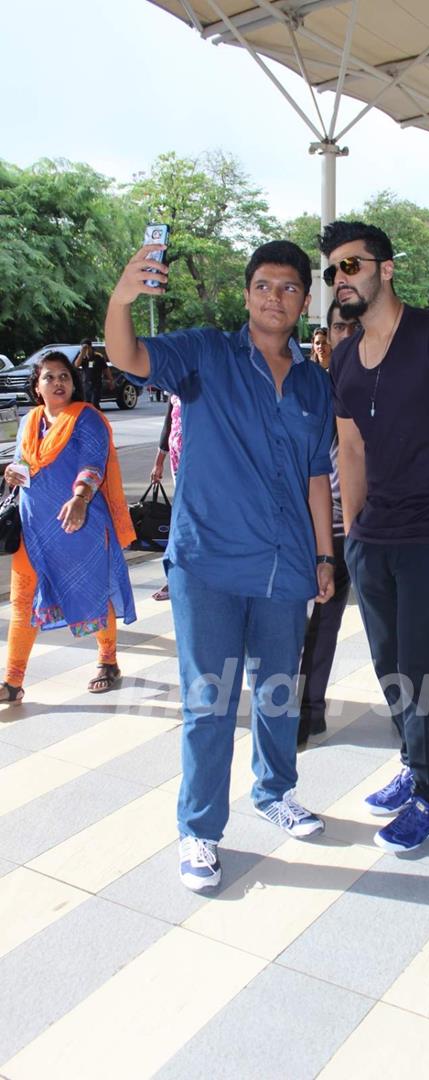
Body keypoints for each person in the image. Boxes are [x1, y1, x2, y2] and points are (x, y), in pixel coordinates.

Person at [105, 238, 335, 893]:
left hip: (285, 564)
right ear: (246, 294)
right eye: (264, 285)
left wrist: (323, 554)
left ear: (304, 300)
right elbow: (129, 356)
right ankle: (199, 831)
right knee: (210, 702)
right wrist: (123, 298)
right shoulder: (207, 353)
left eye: (289, 288)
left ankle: (275, 791)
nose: (275, 297)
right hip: (208, 562)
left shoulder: (316, 382)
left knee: (277, 691)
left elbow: (317, 475)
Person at [319, 219, 429, 854]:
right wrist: (354, 530)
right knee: (388, 663)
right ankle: (411, 758)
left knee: (424, 666)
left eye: (352, 265)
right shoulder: (344, 355)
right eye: (334, 269)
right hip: (375, 538)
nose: (342, 278)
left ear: (384, 269)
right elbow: (351, 446)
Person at [1, 352, 136, 704]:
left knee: (93, 590)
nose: (58, 382)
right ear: (37, 386)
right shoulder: (30, 421)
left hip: (80, 524)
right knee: (23, 600)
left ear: (73, 384)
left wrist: (79, 498)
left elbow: (92, 464)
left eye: (64, 376)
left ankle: (108, 660)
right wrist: (11, 473)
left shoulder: (86, 419)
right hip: (33, 528)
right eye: (49, 377)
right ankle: (12, 681)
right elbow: (21, 463)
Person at [298, 301, 359, 744]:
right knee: (319, 623)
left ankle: (413, 728)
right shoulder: (313, 388)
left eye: (355, 326)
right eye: (340, 327)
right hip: (327, 530)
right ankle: (308, 711)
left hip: (380, 528)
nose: (347, 335)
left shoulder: (389, 384)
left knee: (393, 635)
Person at [149, 394, 182, 602]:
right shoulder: (176, 388)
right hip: (179, 468)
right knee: (179, 524)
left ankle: (178, 579)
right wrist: (158, 462)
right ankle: (175, 578)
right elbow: (168, 425)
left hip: (205, 469)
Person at [73, 338, 106, 408]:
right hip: (86, 385)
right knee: (86, 404)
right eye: (83, 348)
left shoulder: (98, 356)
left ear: (90, 347)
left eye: (86, 348)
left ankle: (97, 416)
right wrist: (82, 353)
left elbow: (105, 368)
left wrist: (110, 379)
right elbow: (76, 365)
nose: (85, 350)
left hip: (96, 384)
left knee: (94, 403)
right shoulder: (82, 356)